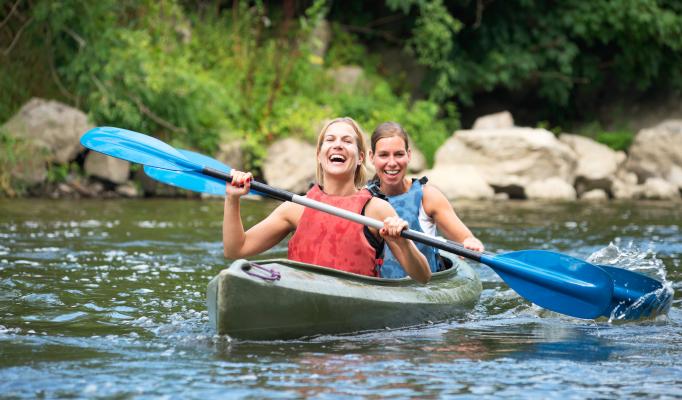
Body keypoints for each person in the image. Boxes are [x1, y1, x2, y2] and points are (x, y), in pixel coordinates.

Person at [223, 117, 431, 283]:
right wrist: (232, 199)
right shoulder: (295, 209)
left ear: (360, 157)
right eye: (330, 140)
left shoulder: (376, 210)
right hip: (302, 300)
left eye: (347, 141)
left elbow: (423, 277)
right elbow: (236, 249)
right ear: (319, 155)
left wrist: (403, 244)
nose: (338, 145)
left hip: (356, 320)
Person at [368, 121, 484, 279]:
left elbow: (467, 240)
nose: (392, 162)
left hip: (424, 288)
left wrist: (471, 243)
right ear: (371, 157)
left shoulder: (428, 197)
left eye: (399, 154)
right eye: (384, 155)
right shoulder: (364, 198)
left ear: (409, 155)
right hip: (379, 290)